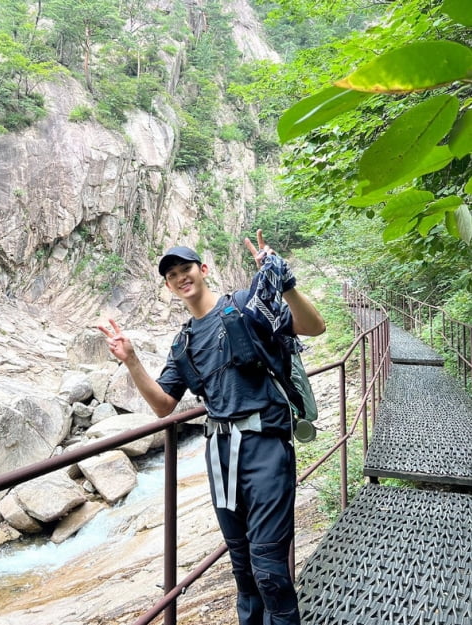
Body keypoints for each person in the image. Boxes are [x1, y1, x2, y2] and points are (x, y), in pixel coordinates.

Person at [98, 230, 326, 625]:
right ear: (168, 286)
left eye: (186, 269)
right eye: (172, 276)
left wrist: (284, 284)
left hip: (266, 446)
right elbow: (163, 405)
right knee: (242, 566)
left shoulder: (245, 307)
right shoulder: (183, 341)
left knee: (269, 566)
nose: (180, 278)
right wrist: (131, 359)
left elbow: (314, 326)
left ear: (203, 270)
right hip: (220, 455)